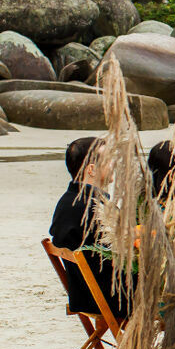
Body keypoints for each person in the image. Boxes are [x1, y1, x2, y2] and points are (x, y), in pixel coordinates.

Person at [49, 136, 127, 320]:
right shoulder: (91, 209)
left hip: (83, 295)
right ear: (91, 169)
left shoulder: (68, 201)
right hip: (109, 299)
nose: (113, 164)